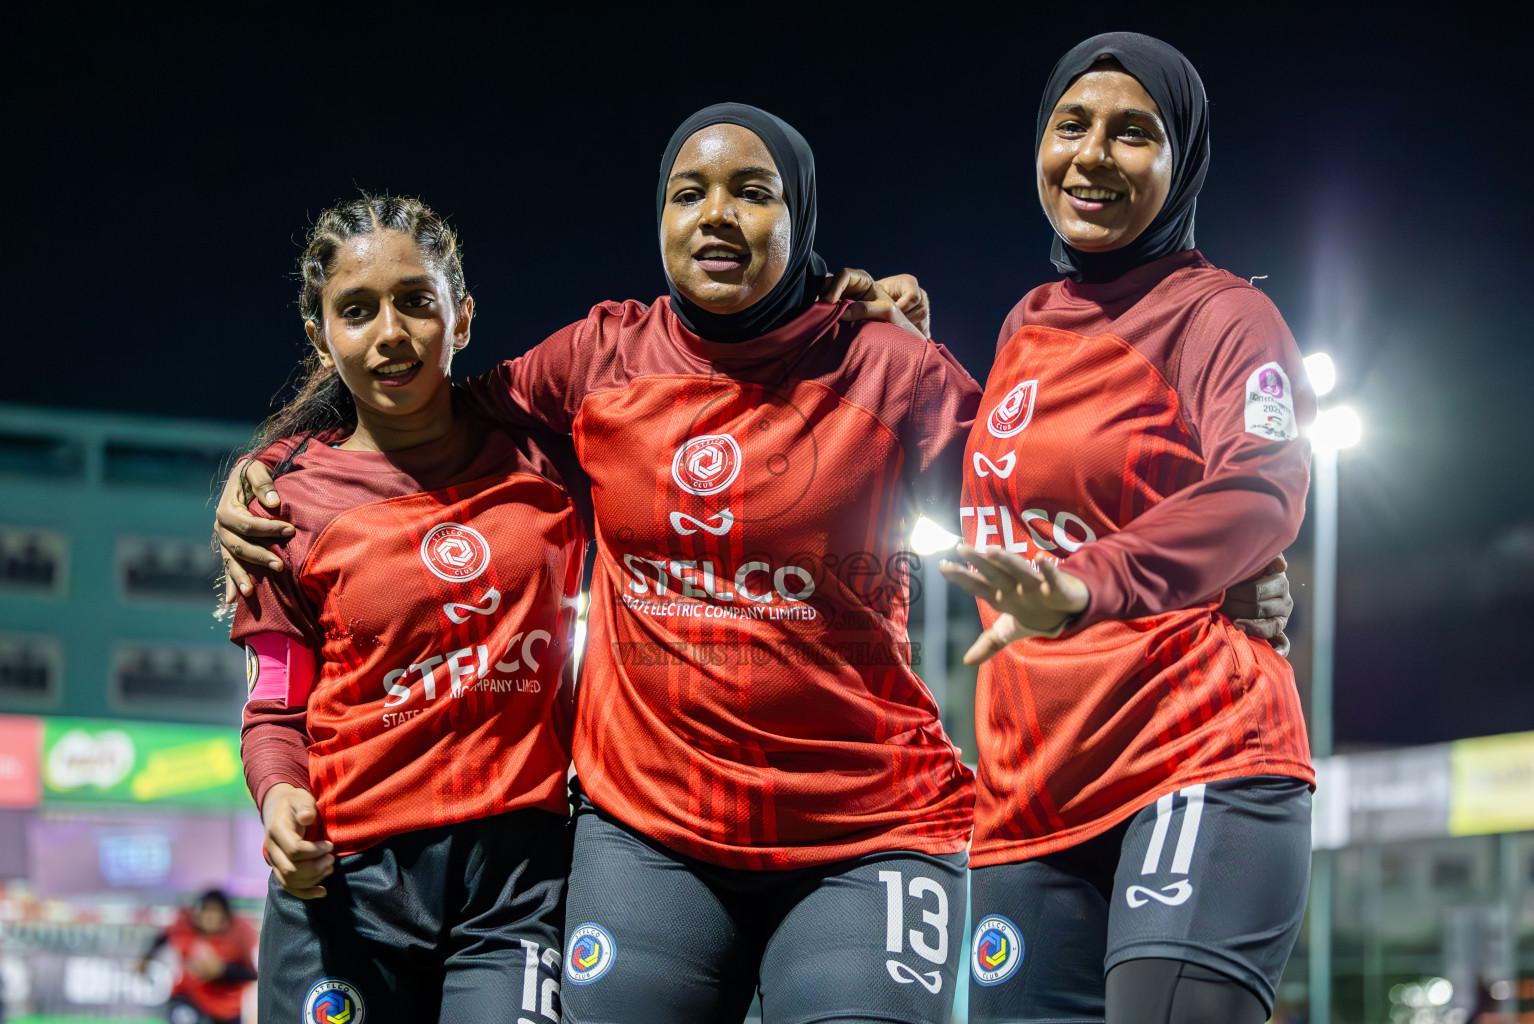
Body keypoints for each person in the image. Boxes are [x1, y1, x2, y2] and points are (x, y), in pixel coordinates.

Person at [214, 106, 1293, 1023]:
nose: (716, 215)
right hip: (649, 836)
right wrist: (266, 471)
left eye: (752, 192)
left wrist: (1219, 560)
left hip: (864, 829)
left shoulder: (883, 361)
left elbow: (1041, 473)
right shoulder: (593, 359)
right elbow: (416, 419)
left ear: (803, 218)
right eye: (688, 192)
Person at [943, 33, 1315, 1024]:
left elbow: (1261, 488)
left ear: (1182, 157)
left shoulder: (1223, 316)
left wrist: (1086, 581)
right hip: (1030, 799)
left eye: (1131, 133)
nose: (1092, 155)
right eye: (1071, 125)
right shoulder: (1027, 322)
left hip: (1196, 755)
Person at [231, 195, 588, 1024]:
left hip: (520, 881)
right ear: (322, 339)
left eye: (415, 301)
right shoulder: (281, 504)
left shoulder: (546, 455)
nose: (389, 333)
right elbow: (274, 704)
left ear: (460, 315)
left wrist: (841, 307)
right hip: (347, 883)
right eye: (356, 311)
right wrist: (282, 797)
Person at [139, 890, 256, 1024]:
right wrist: (146, 958)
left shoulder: (236, 943)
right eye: (206, 910)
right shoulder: (187, 933)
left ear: (225, 917)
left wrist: (222, 971)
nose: (209, 917)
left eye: (215, 912)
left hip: (227, 1010)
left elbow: (253, 974)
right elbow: (164, 937)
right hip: (192, 1002)